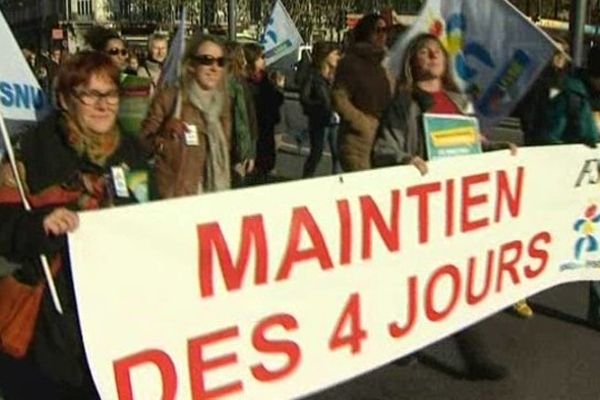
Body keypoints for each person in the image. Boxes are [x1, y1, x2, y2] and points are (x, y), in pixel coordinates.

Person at [0, 50, 148, 400]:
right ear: (65, 100)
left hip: (114, 311)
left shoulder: (131, 152)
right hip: (50, 322)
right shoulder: (31, 150)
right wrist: (41, 223)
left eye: (110, 94)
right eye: (90, 95)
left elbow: (145, 213)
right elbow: (3, 225)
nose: (103, 105)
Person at [372, 33, 513, 380]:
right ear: (412, 62)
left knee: (455, 279)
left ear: (446, 62)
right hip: (420, 206)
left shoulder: (459, 102)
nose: (432, 55)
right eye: (423, 51)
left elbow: (471, 144)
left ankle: (474, 357)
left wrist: (496, 149)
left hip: (455, 208)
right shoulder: (403, 103)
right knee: (418, 278)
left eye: (437, 51)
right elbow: (383, 150)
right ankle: (405, 341)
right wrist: (405, 159)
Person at [541, 45, 600, 328]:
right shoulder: (570, 94)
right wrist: (576, 152)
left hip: (594, 184)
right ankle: (518, 289)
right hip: (572, 184)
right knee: (555, 243)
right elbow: (548, 137)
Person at [140, 35, 231, 198]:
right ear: (191, 65)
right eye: (207, 60)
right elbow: (141, 145)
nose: (214, 67)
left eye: (220, 62)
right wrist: (163, 134)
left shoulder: (222, 106)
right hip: (177, 200)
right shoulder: (170, 99)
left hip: (213, 199)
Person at [332, 13, 395, 172]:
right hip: (358, 143)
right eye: (378, 30)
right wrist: (363, 124)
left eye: (385, 30)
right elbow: (339, 98)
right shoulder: (350, 62)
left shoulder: (385, 65)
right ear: (366, 32)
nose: (383, 35)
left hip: (384, 140)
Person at [300, 41, 342, 177]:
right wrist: (321, 107)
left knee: (338, 155)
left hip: (335, 120)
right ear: (325, 56)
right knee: (316, 154)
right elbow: (304, 99)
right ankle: (306, 181)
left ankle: (338, 184)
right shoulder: (313, 75)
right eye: (335, 54)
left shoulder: (337, 76)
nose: (338, 58)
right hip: (320, 121)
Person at [243, 43, 284, 179]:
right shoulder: (245, 82)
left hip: (267, 129)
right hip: (254, 130)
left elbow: (275, 102)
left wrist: (278, 89)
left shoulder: (265, 78)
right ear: (252, 59)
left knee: (266, 168)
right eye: (261, 57)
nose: (264, 60)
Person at [224, 41, 258, 187]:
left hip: (233, 146)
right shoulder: (237, 83)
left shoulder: (239, 83)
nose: (244, 60)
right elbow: (249, 119)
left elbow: (248, 118)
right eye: (242, 56)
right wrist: (250, 152)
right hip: (235, 147)